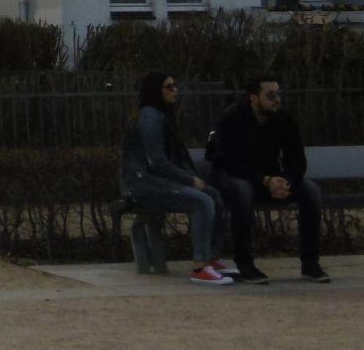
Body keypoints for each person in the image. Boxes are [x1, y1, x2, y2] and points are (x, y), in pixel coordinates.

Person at [206, 74, 330, 284]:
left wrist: (286, 181)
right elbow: (226, 161)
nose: (277, 100)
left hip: (269, 179)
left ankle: (310, 263)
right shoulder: (232, 118)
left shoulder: (284, 119)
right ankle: (245, 264)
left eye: (278, 94)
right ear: (253, 98)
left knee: (311, 191)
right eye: (271, 95)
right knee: (243, 191)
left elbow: (296, 159)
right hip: (233, 177)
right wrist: (264, 180)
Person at [120, 70, 235, 285]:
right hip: (143, 184)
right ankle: (200, 266)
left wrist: (190, 178)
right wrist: (189, 180)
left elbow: (172, 158)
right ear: (156, 91)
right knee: (202, 202)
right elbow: (156, 161)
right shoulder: (150, 116)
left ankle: (210, 257)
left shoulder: (162, 115)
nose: (175, 91)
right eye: (169, 87)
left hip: (157, 181)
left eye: (175, 85)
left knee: (213, 195)